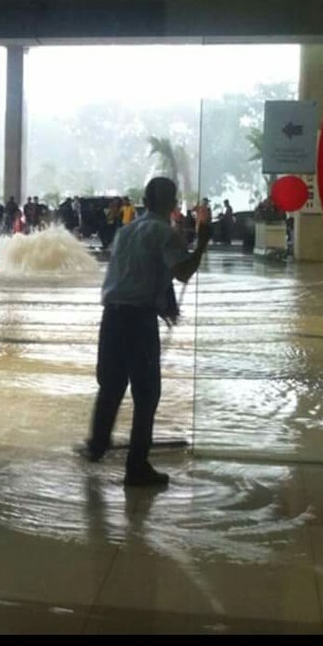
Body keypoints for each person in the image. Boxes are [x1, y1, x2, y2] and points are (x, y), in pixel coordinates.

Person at [78, 176, 211, 487]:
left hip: (111, 317)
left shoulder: (127, 231)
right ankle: (136, 467)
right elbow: (183, 272)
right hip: (139, 322)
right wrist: (203, 241)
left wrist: (162, 299)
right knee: (146, 394)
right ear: (170, 201)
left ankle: (96, 446)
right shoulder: (164, 232)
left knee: (111, 386)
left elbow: (134, 272)